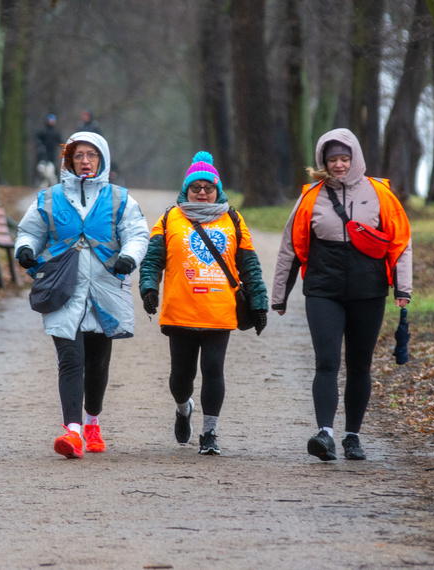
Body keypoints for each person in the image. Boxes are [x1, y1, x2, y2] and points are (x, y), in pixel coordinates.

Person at [272, 128, 412, 462]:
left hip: (369, 290)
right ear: (323, 161)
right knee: (327, 362)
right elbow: (290, 247)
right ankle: (325, 435)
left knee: (359, 365)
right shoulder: (310, 197)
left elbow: (400, 243)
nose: (339, 165)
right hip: (324, 290)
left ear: (355, 159)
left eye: (344, 158)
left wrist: (402, 288)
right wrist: (279, 296)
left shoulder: (381, 194)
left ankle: (353, 436)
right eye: (333, 159)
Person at [15, 131, 149, 459]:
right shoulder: (49, 197)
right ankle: (72, 433)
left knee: (98, 362)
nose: (85, 161)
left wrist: (130, 256)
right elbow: (30, 231)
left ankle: (92, 423)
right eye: (78, 156)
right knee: (70, 359)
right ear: (69, 160)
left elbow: (136, 232)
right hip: (63, 287)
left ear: (102, 159)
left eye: (91, 155)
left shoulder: (120, 199)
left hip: (106, 288)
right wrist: (25, 249)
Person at [139, 152, 268, 456]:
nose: (201, 193)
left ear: (217, 189)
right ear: (186, 189)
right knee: (181, 378)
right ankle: (184, 409)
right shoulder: (170, 218)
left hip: (219, 310)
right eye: (195, 187)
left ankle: (209, 433)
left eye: (207, 188)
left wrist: (259, 302)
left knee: (213, 369)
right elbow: (152, 260)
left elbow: (250, 265)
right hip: (180, 310)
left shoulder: (233, 219)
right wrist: (149, 288)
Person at [35, 114, 62, 187]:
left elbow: (60, 141)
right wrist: (40, 146)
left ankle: (52, 183)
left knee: (51, 170)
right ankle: (44, 182)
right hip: (43, 154)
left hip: (52, 155)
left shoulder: (56, 132)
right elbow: (37, 140)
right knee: (42, 169)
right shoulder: (43, 131)